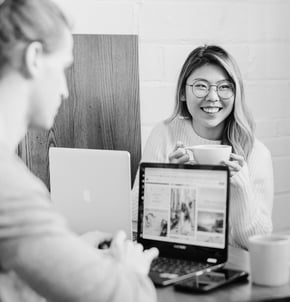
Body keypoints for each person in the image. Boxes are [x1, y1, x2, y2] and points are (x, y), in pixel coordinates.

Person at [0, 1, 158, 301]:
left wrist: (70, 252)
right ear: (34, 58)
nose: (65, 89)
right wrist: (131, 270)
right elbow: (130, 297)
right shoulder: (11, 186)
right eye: (62, 69)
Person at [133, 45, 274, 249]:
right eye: (201, 86)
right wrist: (168, 182)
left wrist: (242, 189)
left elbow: (256, 244)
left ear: (236, 94)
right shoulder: (165, 134)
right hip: (175, 257)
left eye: (224, 87)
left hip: (230, 265)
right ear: (183, 92)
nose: (213, 97)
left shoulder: (256, 153)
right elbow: (134, 219)